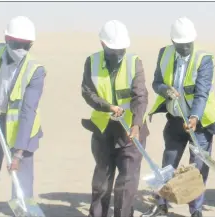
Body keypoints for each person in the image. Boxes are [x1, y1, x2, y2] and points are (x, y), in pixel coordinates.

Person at [142, 17, 215, 217]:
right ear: (173, 42)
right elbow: (156, 82)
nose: (185, 48)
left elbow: (202, 93)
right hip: (174, 121)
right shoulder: (164, 54)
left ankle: (195, 210)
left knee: (197, 169)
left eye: (188, 44)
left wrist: (195, 118)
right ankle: (161, 204)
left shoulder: (203, 59)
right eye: (181, 45)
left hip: (200, 124)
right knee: (168, 164)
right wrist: (165, 90)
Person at [0, 16, 46, 217]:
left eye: (26, 45)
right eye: (17, 44)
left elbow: (27, 112)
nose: (21, 48)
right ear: (6, 38)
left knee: (22, 191)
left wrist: (19, 153)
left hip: (24, 132)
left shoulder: (36, 71)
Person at [80, 20, 149, 217]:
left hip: (130, 133)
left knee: (127, 183)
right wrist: (107, 106)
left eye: (121, 49)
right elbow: (87, 92)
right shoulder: (91, 62)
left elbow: (140, 95)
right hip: (103, 131)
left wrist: (136, 124)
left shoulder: (134, 62)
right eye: (114, 50)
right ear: (103, 45)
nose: (119, 54)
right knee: (102, 180)